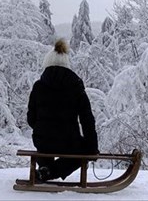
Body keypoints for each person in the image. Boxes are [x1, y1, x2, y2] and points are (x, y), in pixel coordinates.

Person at [26, 38, 98, 182]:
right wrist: (92, 147)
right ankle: (50, 172)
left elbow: (31, 118)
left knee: (44, 146)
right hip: (68, 141)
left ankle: (45, 170)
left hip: (43, 141)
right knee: (85, 151)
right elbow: (87, 119)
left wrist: (42, 128)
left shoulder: (38, 86)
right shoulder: (76, 86)